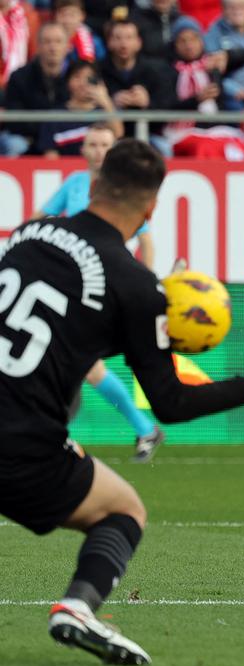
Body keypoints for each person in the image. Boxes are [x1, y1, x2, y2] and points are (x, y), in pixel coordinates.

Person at [0, 139, 244, 665]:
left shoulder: (27, 235)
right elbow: (171, 403)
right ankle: (78, 606)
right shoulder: (136, 287)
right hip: (19, 442)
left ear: (92, 186)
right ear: (152, 209)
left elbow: (66, 324)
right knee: (123, 509)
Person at [30, 123, 175, 463]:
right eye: (92, 144)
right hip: (71, 287)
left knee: (80, 364)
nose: (97, 151)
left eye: (104, 145)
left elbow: (146, 240)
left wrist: (146, 281)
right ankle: (141, 429)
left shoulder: (122, 193)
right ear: (82, 150)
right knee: (77, 365)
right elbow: (37, 220)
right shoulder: (75, 185)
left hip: (104, 287)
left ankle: (139, 429)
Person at [2, 22, 69, 156]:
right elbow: (15, 120)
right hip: (29, 137)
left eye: (58, 41)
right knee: (14, 144)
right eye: (47, 42)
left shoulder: (78, 76)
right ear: (38, 46)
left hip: (67, 136)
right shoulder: (19, 77)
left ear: (68, 46)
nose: (53, 47)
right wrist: (46, 133)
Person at [34, 60, 121, 157]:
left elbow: (118, 134)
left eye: (89, 77)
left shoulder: (105, 112)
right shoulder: (54, 117)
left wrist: (106, 101)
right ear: (68, 82)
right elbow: (50, 156)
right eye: (77, 77)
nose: (83, 83)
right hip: (66, 170)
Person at [204, 0, 244, 110]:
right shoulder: (215, 31)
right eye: (232, 7)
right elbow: (212, 71)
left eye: (242, 7)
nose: (237, 11)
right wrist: (233, 89)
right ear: (223, 9)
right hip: (232, 95)